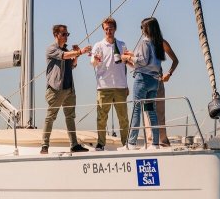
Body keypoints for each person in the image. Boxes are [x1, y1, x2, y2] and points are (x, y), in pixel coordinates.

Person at [121, 17, 176, 148]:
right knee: (151, 111)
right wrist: (131, 59)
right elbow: (148, 63)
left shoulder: (145, 42)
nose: (141, 30)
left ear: (147, 28)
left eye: (142, 27)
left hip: (142, 80)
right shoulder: (158, 44)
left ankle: (131, 143)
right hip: (154, 81)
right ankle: (155, 143)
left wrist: (127, 57)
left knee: (136, 110)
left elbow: (142, 61)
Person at [42, 24, 91, 154]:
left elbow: (72, 65)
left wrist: (76, 56)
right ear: (56, 35)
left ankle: (74, 144)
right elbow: (63, 56)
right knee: (51, 116)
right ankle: (44, 145)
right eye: (64, 34)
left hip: (69, 88)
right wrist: (79, 52)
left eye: (67, 34)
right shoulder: (51, 49)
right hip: (56, 89)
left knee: (70, 116)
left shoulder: (67, 50)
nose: (66, 36)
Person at [89, 17, 130, 150]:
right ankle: (101, 143)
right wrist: (95, 60)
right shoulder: (98, 45)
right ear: (103, 30)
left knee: (123, 118)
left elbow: (125, 66)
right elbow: (93, 62)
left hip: (120, 86)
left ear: (115, 29)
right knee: (101, 118)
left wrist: (126, 85)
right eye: (106, 29)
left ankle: (126, 143)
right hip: (103, 86)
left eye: (110, 28)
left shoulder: (122, 45)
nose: (108, 31)